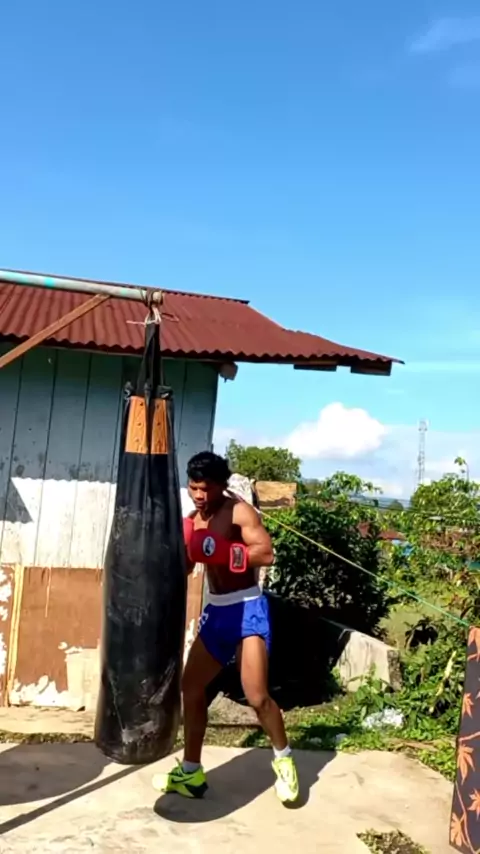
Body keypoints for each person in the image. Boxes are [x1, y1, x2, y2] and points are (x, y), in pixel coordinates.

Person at [153, 451, 299, 804]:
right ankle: (191, 772)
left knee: (257, 695)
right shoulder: (193, 521)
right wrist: (167, 558)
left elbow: (265, 553)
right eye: (193, 488)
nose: (199, 495)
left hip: (248, 607)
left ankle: (284, 760)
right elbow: (189, 566)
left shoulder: (239, 512)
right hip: (218, 611)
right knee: (191, 687)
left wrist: (225, 552)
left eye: (205, 488)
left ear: (221, 485)